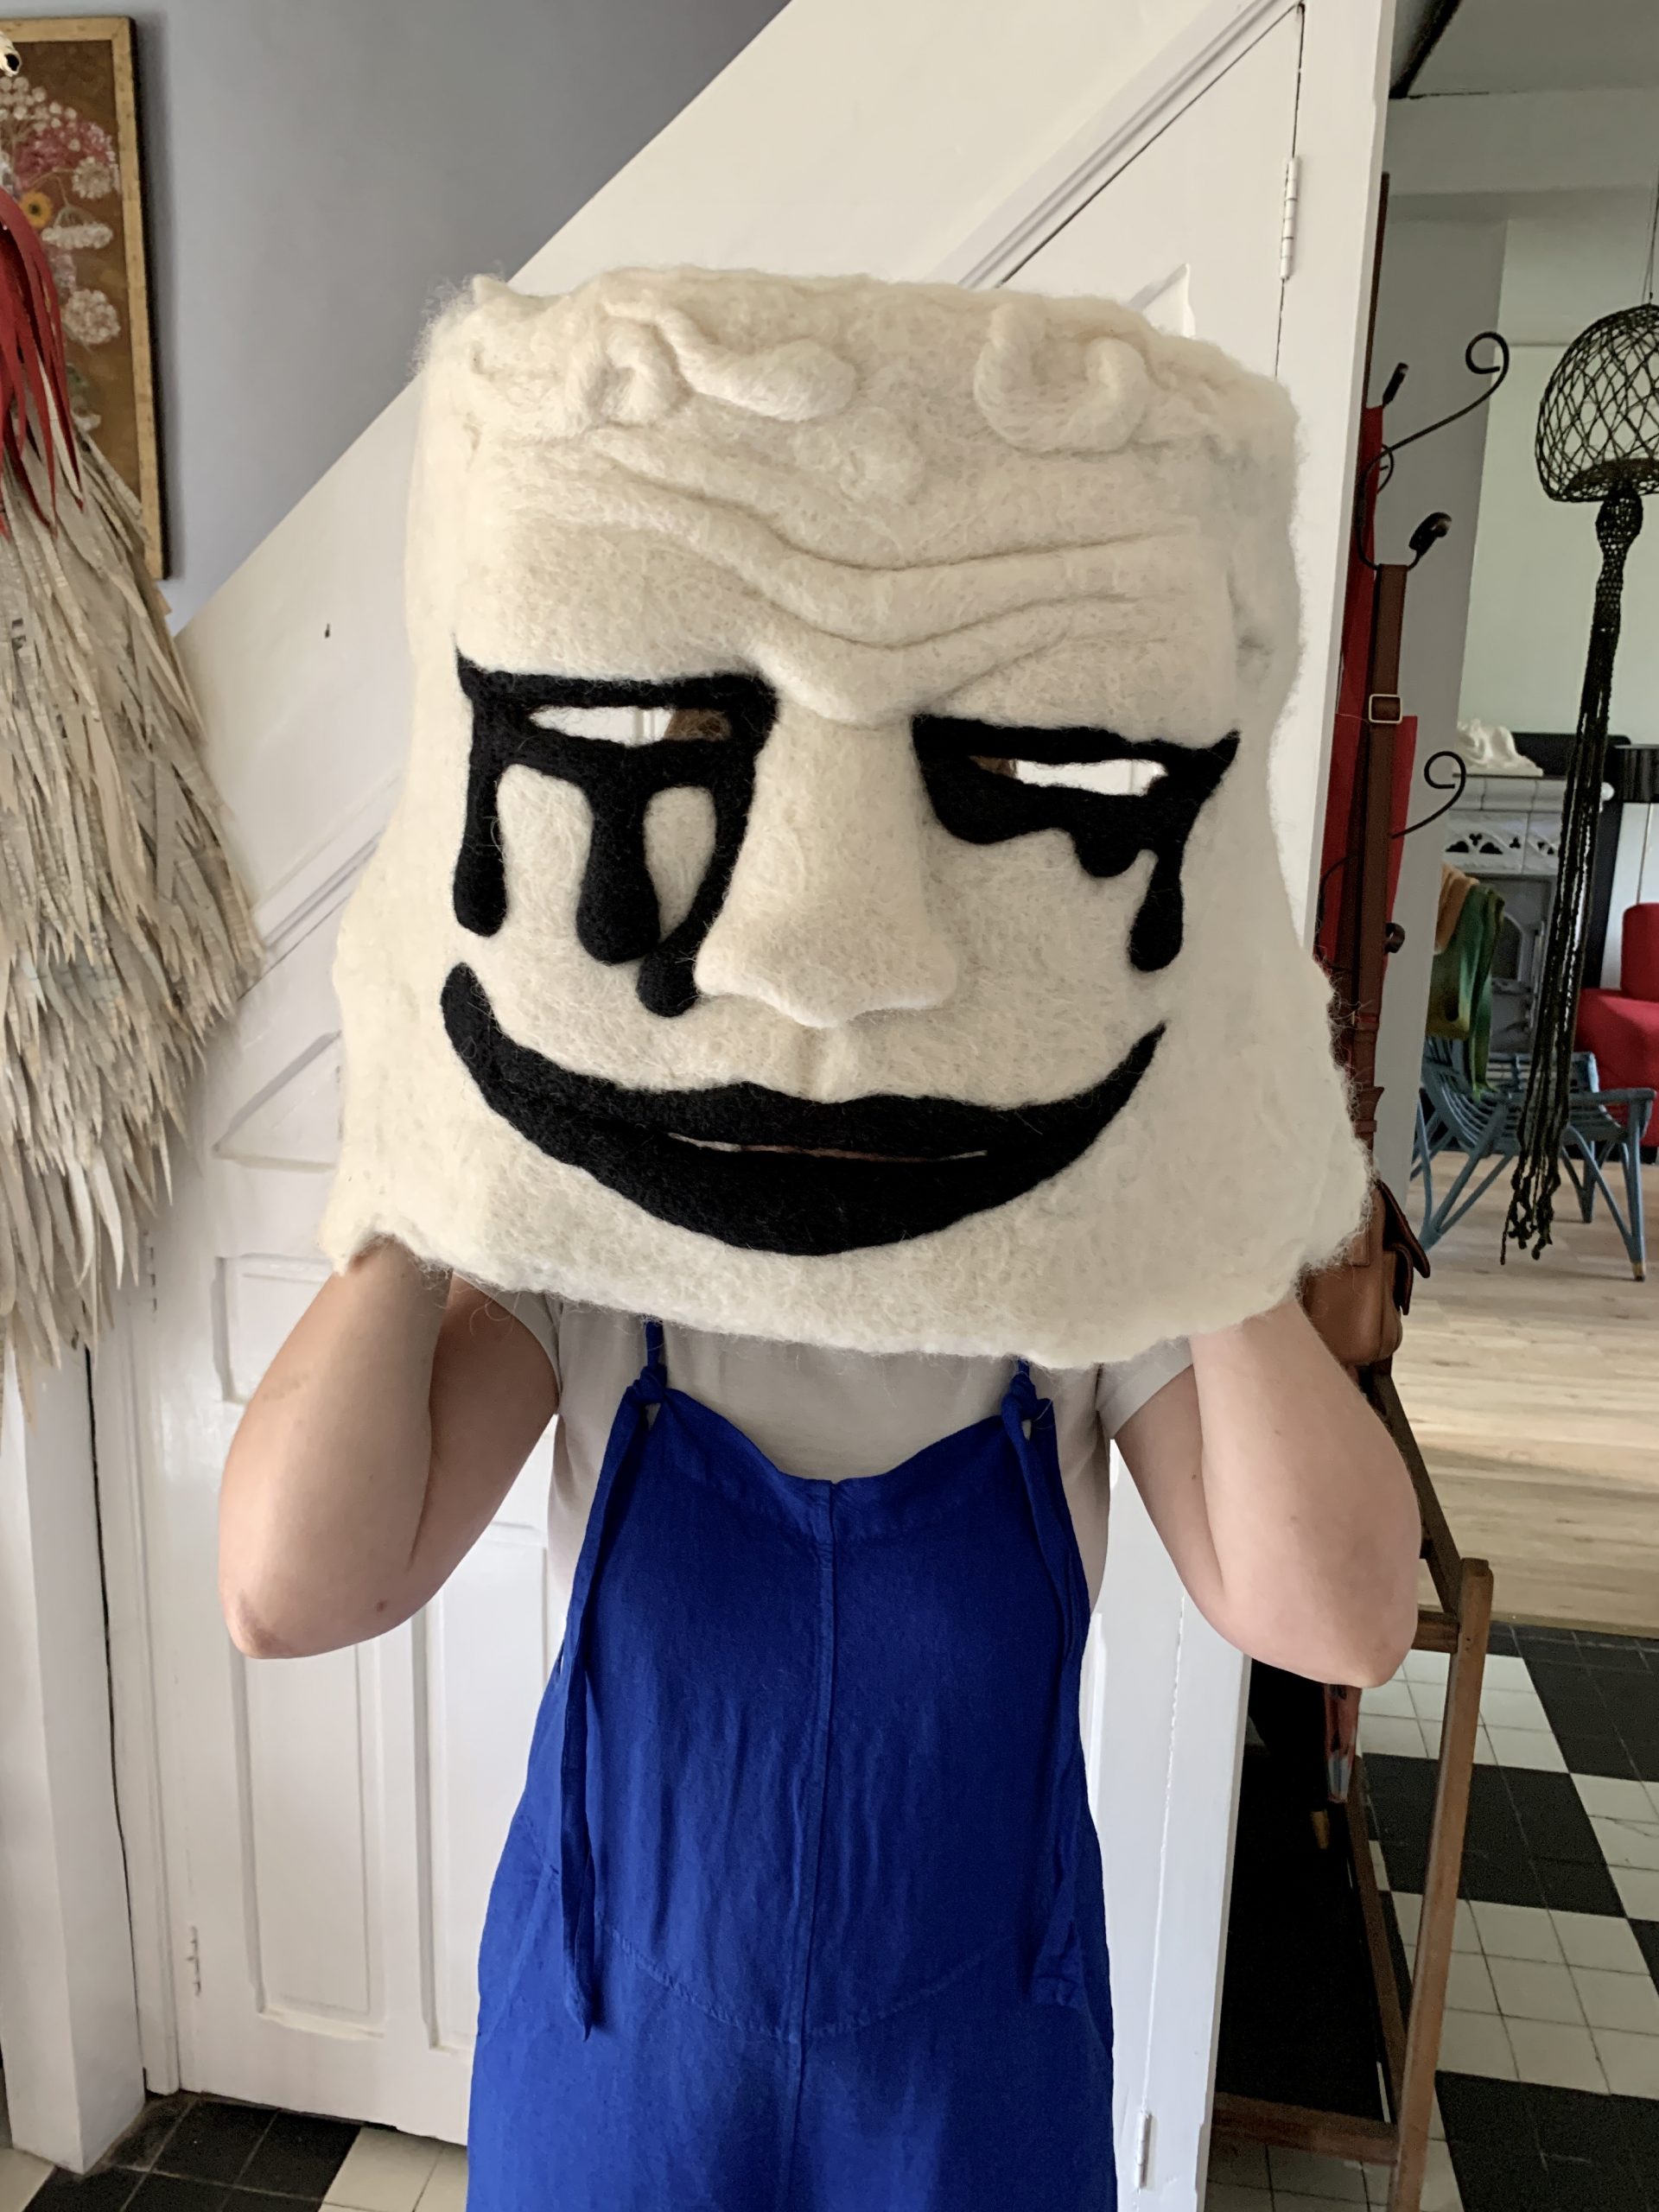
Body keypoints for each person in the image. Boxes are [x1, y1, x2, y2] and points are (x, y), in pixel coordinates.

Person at [220, 269, 1422, 2210]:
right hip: (617, 2069)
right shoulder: (596, 1244)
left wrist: (1206, 1120)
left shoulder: (1082, 1268)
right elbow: (290, 1586)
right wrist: (425, 1138)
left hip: (972, 2097)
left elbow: (1341, 1616)